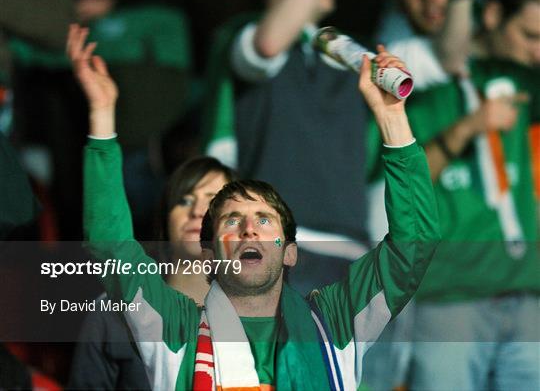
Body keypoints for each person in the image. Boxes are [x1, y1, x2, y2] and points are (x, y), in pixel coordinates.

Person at [69, 20, 440, 389]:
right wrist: (102, 116)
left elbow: (414, 244)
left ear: (291, 252)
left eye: (264, 219)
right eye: (232, 220)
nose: (249, 228)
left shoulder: (337, 321)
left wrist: (392, 119)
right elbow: (111, 244)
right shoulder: (172, 327)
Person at [378, 0, 539, 389]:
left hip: (526, 295)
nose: (537, 51)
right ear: (491, 14)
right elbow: (397, 187)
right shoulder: (405, 80)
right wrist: (465, 130)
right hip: (448, 297)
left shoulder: (520, 76)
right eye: (529, 36)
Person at [67, 24, 235, 389]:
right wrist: (102, 112)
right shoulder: (117, 314)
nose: (196, 211)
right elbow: (109, 237)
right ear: (164, 222)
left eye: (214, 203)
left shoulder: (271, 322)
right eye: (184, 200)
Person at [205, 0, 372, 295]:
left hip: (354, 258)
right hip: (282, 252)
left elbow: (442, 60)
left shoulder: (346, 49)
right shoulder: (241, 35)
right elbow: (266, 47)